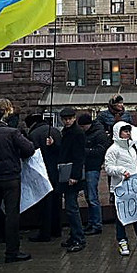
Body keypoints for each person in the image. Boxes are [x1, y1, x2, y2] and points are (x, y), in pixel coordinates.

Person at [0, 106, 35, 263]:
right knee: (12, 215)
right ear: (2, 117)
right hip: (10, 178)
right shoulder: (11, 132)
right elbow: (29, 149)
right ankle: (12, 252)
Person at [104, 121, 137, 255]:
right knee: (121, 216)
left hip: (133, 187)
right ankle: (122, 241)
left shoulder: (132, 146)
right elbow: (108, 168)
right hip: (120, 188)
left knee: (136, 213)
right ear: (118, 132)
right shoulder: (113, 150)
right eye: (125, 131)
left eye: (129, 131)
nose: (128, 133)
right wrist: (121, 170)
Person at [25, 113, 63, 242]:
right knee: (56, 201)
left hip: (41, 172)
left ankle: (45, 233)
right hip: (56, 171)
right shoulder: (56, 131)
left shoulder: (33, 135)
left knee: (44, 203)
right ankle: (57, 229)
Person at [58, 107, 87, 252]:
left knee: (72, 208)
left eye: (69, 118)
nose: (67, 121)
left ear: (74, 118)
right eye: (65, 119)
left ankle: (78, 238)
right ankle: (74, 236)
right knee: (70, 208)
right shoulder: (68, 132)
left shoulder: (77, 133)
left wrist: (75, 176)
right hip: (67, 174)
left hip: (71, 175)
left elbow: (79, 156)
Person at [80, 113, 110, 235]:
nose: (81, 129)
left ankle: (96, 224)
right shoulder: (94, 133)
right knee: (89, 196)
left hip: (93, 167)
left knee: (92, 197)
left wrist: (85, 151)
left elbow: (100, 151)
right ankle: (92, 222)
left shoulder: (99, 134)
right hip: (88, 167)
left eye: (83, 126)